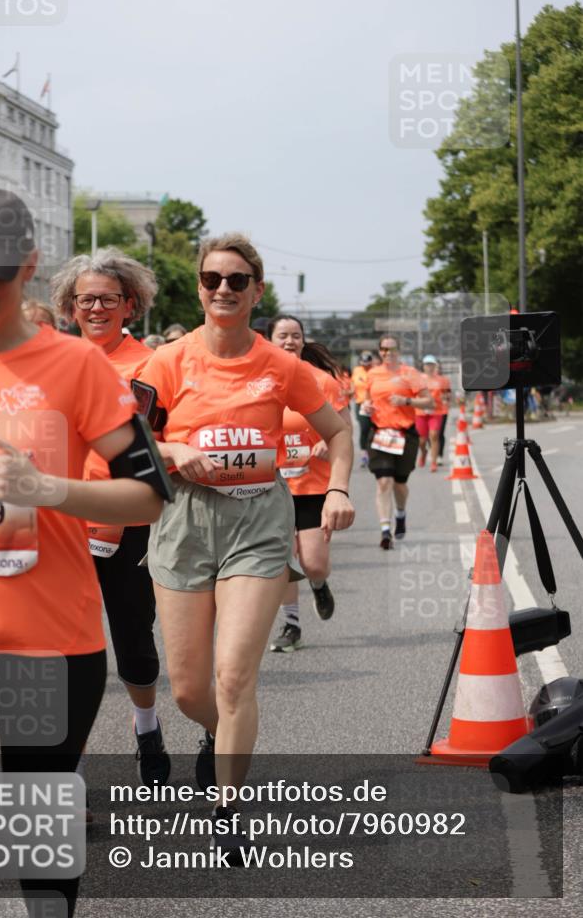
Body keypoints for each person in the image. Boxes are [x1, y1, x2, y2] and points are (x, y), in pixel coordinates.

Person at [0, 187, 164, 917]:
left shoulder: (78, 368)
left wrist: (48, 489)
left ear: (28, 265)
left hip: (49, 642)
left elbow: (148, 496)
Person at [139, 233, 354, 853]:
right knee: (187, 689)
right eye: (213, 280)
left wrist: (336, 490)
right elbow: (127, 438)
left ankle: (229, 807)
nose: (224, 290)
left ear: (257, 291)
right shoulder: (168, 362)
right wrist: (174, 448)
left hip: (258, 521)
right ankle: (222, 733)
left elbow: (337, 435)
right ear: (200, 288)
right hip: (183, 521)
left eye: (237, 281)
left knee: (234, 678)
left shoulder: (283, 366)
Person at [50, 248, 170, 785]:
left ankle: (146, 725)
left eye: (107, 298)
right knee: (60, 651)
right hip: (57, 523)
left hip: (128, 523)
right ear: (69, 307)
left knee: (133, 642)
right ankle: (67, 770)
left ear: (130, 305)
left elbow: (164, 440)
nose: (95, 308)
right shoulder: (45, 360)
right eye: (85, 299)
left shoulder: (152, 364)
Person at [267, 316, 351, 653]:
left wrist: (327, 446)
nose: (289, 341)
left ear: (303, 341)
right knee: (284, 561)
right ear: (269, 339)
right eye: (282, 335)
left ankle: (318, 583)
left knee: (313, 562)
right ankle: (292, 626)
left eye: (295, 336)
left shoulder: (322, 381)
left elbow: (344, 431)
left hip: (313, 485)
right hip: (272, 486)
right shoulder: (259, 379)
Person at [364, 334, 431, 550]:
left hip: (405, 435)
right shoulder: (372, 374)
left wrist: (406, 400)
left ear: (399, 351)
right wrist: (366, 407)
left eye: (392, 349)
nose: (387, 353)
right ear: (380, 351)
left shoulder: (410, 374)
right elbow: (367, 399)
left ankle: (400, 514)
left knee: (400, 484)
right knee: (384, 481)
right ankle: (385, 530)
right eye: (384, 349)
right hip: (380, 434)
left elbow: (429, 401)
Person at [415, 354, 451, 472]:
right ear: (423, 366)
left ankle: (433, 462)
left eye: (431, 364)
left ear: (435, 366)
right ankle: (424, 452)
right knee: (422, 440)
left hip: (436, 411)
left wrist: (445, 399)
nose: (429, 367)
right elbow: (413, 394)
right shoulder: (418, 379)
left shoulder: (442, 380)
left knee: (434, 435)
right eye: (427, 364)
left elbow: (447, 395)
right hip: (420, 412)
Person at [351, 351, 376, 467]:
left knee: (374, 429)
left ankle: (373, 453)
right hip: (361, 404)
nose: (366, 365)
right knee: (364, 428)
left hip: (375, 404)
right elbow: (352, 386)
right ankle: (364, 454)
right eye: (363, 362)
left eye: (368, 362)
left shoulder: (376, 371)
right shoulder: (357, 371)